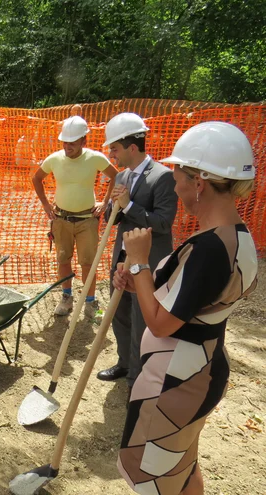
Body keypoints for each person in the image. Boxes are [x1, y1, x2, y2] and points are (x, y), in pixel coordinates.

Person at [113, 121, 258, 494]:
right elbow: (192, 298)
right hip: (200, 369)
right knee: (182, 465)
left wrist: (140, 262)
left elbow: (161, 324)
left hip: (177, 380)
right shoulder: (237, 237)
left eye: (178, 176)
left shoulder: (210, 247)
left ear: (199, 183)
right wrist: (137, 277)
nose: (174, 186)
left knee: (154, 479)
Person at [96, 113, 178, 385]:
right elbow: (114, 218)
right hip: (122, 255)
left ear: (132, 147)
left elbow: (164, 223)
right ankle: (123, 362)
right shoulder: (121, 176)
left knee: (142, 317)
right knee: (119, 311)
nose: (112, 154)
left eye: (115, 149)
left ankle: (138, 375)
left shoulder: (163, 177)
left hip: (148, 261)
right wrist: (113, 208)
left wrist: (130, 205)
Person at [32, 115, 118, 317]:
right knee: (63, 260)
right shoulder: (54, 159)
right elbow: (36, 178)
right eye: (64, 142)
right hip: (61, 219)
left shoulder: (95, 158)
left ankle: (90, 301)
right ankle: (66, 297)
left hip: (87, 220)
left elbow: (116, 176)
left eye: (72, 142)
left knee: (88, 262)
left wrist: (105, 202)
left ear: (83, 141)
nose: (67, 146)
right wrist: (45, 204)